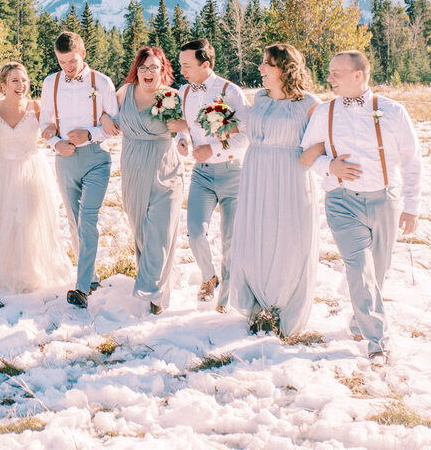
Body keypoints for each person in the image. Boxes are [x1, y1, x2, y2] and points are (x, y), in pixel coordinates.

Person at [300, 50, 423, 363]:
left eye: (336, 73)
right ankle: (377, 340)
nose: (329, 78)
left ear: (359, 75)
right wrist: (330, 166)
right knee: (359, 268)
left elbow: (411, 161)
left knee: (378, 270)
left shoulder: (393, 111)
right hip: (342, 202)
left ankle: (359, 319)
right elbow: (306, 154)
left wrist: (412, 205)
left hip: (385, 200)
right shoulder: (323, 112)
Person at [230, 44, 321, 338]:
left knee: (289, 240)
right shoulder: (259, 98)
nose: (261, 68)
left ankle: (284, 307)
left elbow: (326, 140)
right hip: (257, 173)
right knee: (258, 236)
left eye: (267, 64)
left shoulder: (309, 103)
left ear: (285, 68)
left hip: (292, 175)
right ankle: (259, 305)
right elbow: (246, 130)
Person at [0, 62, 72, 296]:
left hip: (31, 171)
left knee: (28, 223)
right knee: (0, 223)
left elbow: (53, 129)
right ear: (2, 85)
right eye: (15, 81)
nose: (22, 85)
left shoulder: (37, 107)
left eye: (24, 80)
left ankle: (27, 273)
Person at [166, 38, 250, 311]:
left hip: (233, 174)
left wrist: (211, 151)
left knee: (230, 239)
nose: (182, 70)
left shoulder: (230, 91)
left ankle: (225, 300)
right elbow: (187, 125)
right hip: (201, 175)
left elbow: (245, 136)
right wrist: (182, 139)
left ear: (206, 64)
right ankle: (208, 276)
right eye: (180, 65)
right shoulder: (184, 92)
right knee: (195, 232)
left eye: (187, 65)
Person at [39, 31, 119, 309]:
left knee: (87, 219)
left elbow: (115, 125)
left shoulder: (103, 82)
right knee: (73, 221)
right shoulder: (51, 82)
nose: (68, 68)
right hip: (65, 159)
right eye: (62, 62)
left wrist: (91, 134)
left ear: (83, 53)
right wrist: (55, 143)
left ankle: (82, 288)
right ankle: (92, 276)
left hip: (97, 158)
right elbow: (44, 123)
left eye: (72, 61)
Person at [114, 47, 185, 314]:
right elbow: (107, 118)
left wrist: (185, 139)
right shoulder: (123, 94)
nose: (147, 72)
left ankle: (152, 291)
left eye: (153, 67)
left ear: (162, 69)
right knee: (142, 231)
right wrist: (102, 119)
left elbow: (184, 130)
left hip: (165, 169)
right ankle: (158, 288)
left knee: (161, 232)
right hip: (133, 169)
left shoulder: (172, 97)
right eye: (143, 67)